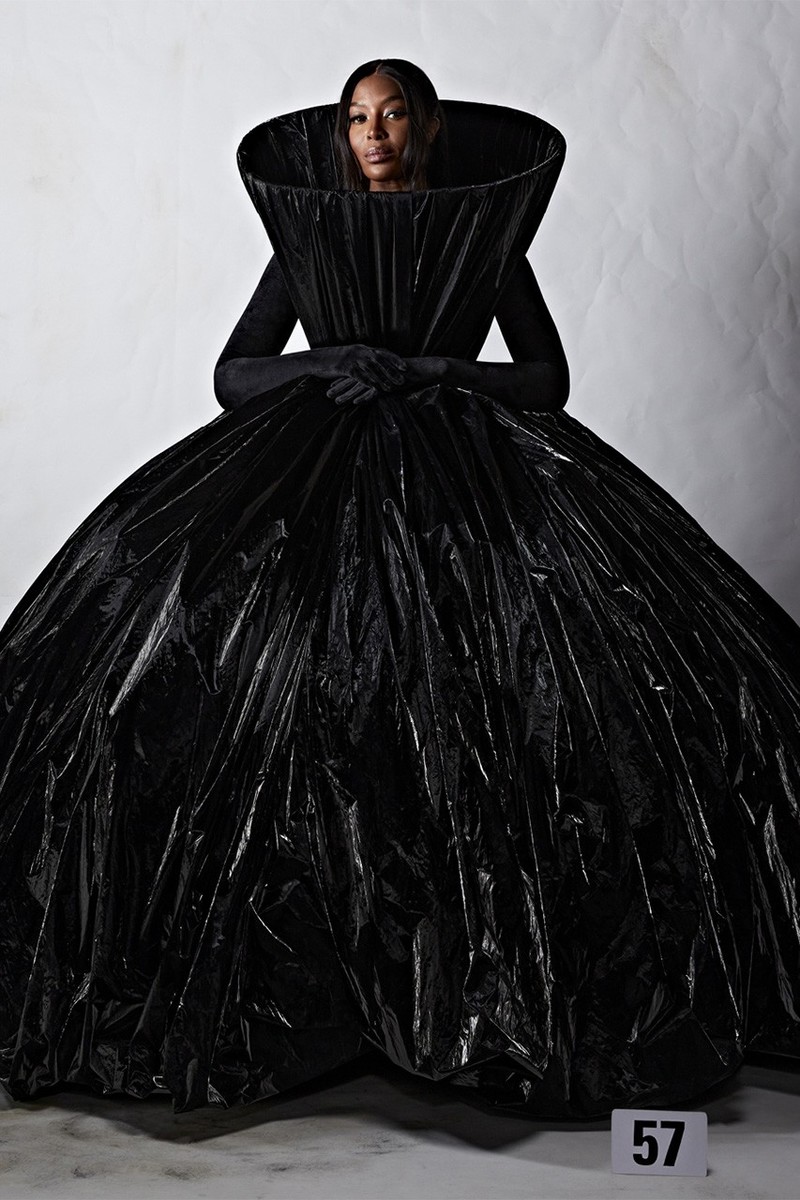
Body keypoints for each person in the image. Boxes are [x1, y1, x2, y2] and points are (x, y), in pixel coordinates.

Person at [1, 58, 800, 1120]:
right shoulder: (310, 235)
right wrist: (329, 360)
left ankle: (474, 967)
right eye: (355, 118)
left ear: (424, 127)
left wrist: (433, 373)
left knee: (503, 675)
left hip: (463, 472)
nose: (372, 133)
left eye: (391, 115)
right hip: (315, 461)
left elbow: (545, 379)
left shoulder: (481, 235)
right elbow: (235, 375)